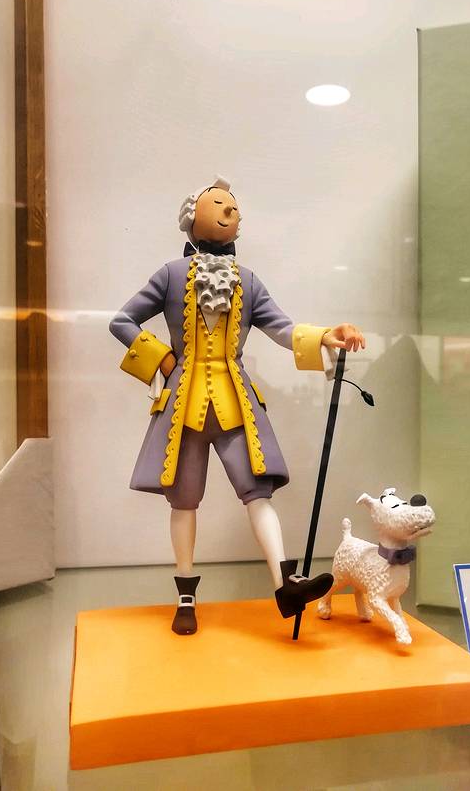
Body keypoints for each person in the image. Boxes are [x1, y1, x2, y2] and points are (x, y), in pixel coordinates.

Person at [110, 176, 365, 634]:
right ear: (193, 216)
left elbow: (283, 328)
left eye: (234, 206)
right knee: (184, 499)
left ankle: (285, 585)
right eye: (219, 204)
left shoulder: (247, 281)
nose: (231, 212)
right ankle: (186, 595)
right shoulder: (171, 274)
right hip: (184, 405)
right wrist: (163, 360)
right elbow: (122, 320)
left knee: (257, 490)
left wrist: (327, 334)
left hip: (235, 402)